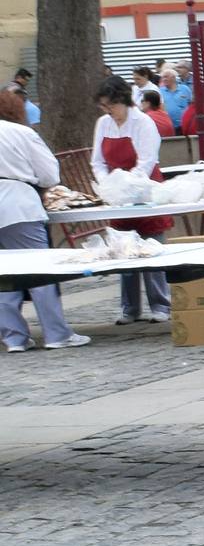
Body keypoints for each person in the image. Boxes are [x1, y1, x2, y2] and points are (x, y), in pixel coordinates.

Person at [0, 90, 90, 352]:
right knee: (39, 269)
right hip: (18, 204)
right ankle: (56, 333)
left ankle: (14, 337)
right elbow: (50, 174)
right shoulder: (21, 133)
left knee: (3, 275)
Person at [91, 76, 172, 324]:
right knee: (122, 247)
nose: (108, 112)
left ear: (123, 101)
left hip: (144, 188)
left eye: (111, 106)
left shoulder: (143, 123)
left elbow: (146, 161)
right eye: (104, 107)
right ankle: (130, 308)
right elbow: (97, 161)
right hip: (117, 194)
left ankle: (161, 304)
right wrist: (108, 184)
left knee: (151, 245)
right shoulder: (103, 124)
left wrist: (128, 185)